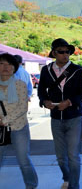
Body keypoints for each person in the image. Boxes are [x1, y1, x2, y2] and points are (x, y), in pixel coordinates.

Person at [38, 38, 82, 189]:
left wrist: (70, 102)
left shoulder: (77, 70)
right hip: (56, 118)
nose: (65, 54)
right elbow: (41, 91)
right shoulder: (46, 70)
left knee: (73, 156)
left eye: (67, 51)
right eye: (61, 52)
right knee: (61, 157)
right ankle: (67, 177)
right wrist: (44, 101)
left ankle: (74, 185)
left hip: (74, 116)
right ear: (54, 53)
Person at [0, 53, 38, 189]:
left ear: (15, 67)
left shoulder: (19, 84)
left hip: (18, 127)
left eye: (9, 64)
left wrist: (4, 120)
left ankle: (31, 185)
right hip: (0, 129)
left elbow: (22, 107)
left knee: (24, 161)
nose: (6, 67)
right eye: (2, 64)